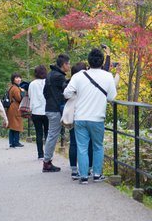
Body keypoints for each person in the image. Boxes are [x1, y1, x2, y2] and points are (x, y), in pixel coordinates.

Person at [64, 48, 117, 184]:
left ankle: (83, 177)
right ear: (102, 61)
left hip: (80, 117)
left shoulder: (78, 76)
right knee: (98, 146)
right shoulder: (107, 76)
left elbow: (66, 94)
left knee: (82, 147)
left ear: (88, 61)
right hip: (97, 118)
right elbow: (111, 97)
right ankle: (97, 175)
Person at [42, 54, 70, 172]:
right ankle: (47, 162)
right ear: (63, 64)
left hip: (50, 107)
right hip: (55, 109)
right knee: (52, 135)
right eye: (68, 63)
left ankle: (47, 161)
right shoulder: (59, 77)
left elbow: (45, 92)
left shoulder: (51, 74)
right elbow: (67, 91)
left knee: (51, 135)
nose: (69, 66)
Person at [28, 64, 49, 159]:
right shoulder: (47, 82)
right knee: (48, 133)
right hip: (47, 110)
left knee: (38, 133)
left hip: (36, 111)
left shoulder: (32, 84)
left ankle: (40, 154)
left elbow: (30, 97)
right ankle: (49, 154)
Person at [6, 72, 24, 148]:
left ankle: (11, 142)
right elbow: (19, 98)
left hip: (11, 108)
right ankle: (16, 142)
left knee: (12, 125)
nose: (18, 79)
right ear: (13, 79)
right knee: (16, 125)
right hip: (15, 108)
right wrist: (22, 92)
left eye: (19, 77)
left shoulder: (11, 87)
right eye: (16, 78)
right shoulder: (16, 88)